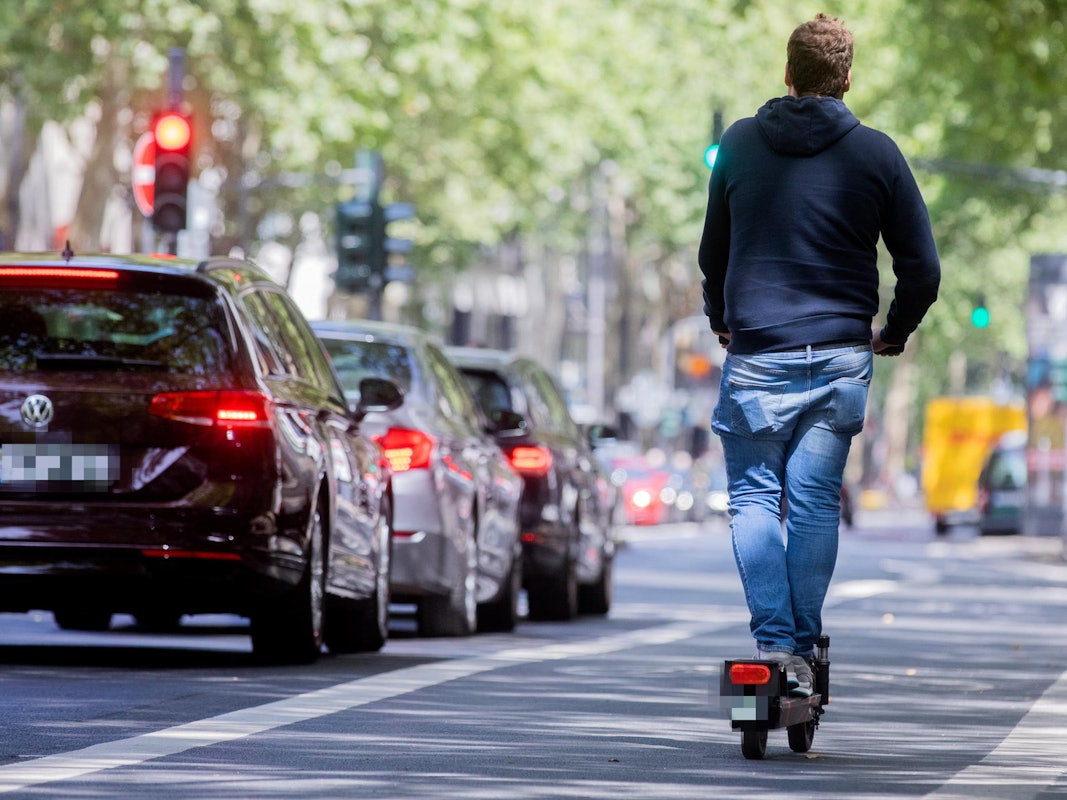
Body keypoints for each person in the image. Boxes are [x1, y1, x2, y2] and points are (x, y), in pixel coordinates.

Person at [697, 13, 940, 696]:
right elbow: (921, 269)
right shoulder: (876, 154)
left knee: (751, 498)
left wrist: (721, 319)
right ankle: (799, 654)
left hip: (756, 356)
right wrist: (893, 331)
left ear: (787, 73)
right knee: (810, 505)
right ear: (846, 78)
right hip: (837, 358)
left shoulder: (739, 145)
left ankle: (773, 646)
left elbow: (710, 254)